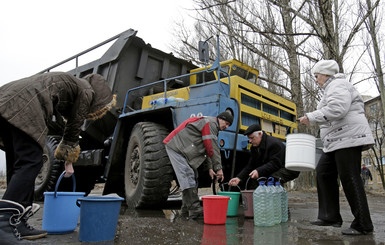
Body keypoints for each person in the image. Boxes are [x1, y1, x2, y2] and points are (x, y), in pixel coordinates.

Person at [0, 72, 116, 241]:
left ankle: (16, 222)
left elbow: (64, 123)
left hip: (7, 99)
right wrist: (69, 161)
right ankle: (4, 225)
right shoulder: (87, 90)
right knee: (31, 161)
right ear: (99, 95)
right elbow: (74, 127)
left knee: (17, 162)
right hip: (26, 103)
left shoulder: (72, 84)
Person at [299, 60, 374, 235]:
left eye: (317, 76)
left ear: (326, 74)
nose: (316, 80)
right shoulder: (331, 88)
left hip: (348, 137)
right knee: (323, 172)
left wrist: (311, 117)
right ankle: (329, 216)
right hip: (336, 140)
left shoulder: (338, 84)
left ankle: (363, 224)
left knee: (350, 178)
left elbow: (337, 108)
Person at [163, 111, 233, 219]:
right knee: (187, 174)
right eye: (226, 123)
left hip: (182, 149)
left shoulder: (212, 126)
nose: (226, 127)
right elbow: (212, 148)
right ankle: (195, 209)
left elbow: (207, 148)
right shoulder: (210, 123)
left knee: (193, 177)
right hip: (175, 147)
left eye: (229, 125)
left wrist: (210, 168)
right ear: (221, 118)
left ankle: (185, 210)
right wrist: (219, 168)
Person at [228, 124, 299, 188]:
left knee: (271, 180)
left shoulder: (274, 144)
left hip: (289, 168)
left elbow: (275, 164)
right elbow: (251, 165)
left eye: (252, 138)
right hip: (275, 167)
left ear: (259, 134)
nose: (250, 141)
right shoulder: (254, 147)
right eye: (249, 138)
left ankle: (275, 200)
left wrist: (258, 171)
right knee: (255, 181)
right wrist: (239, 178)